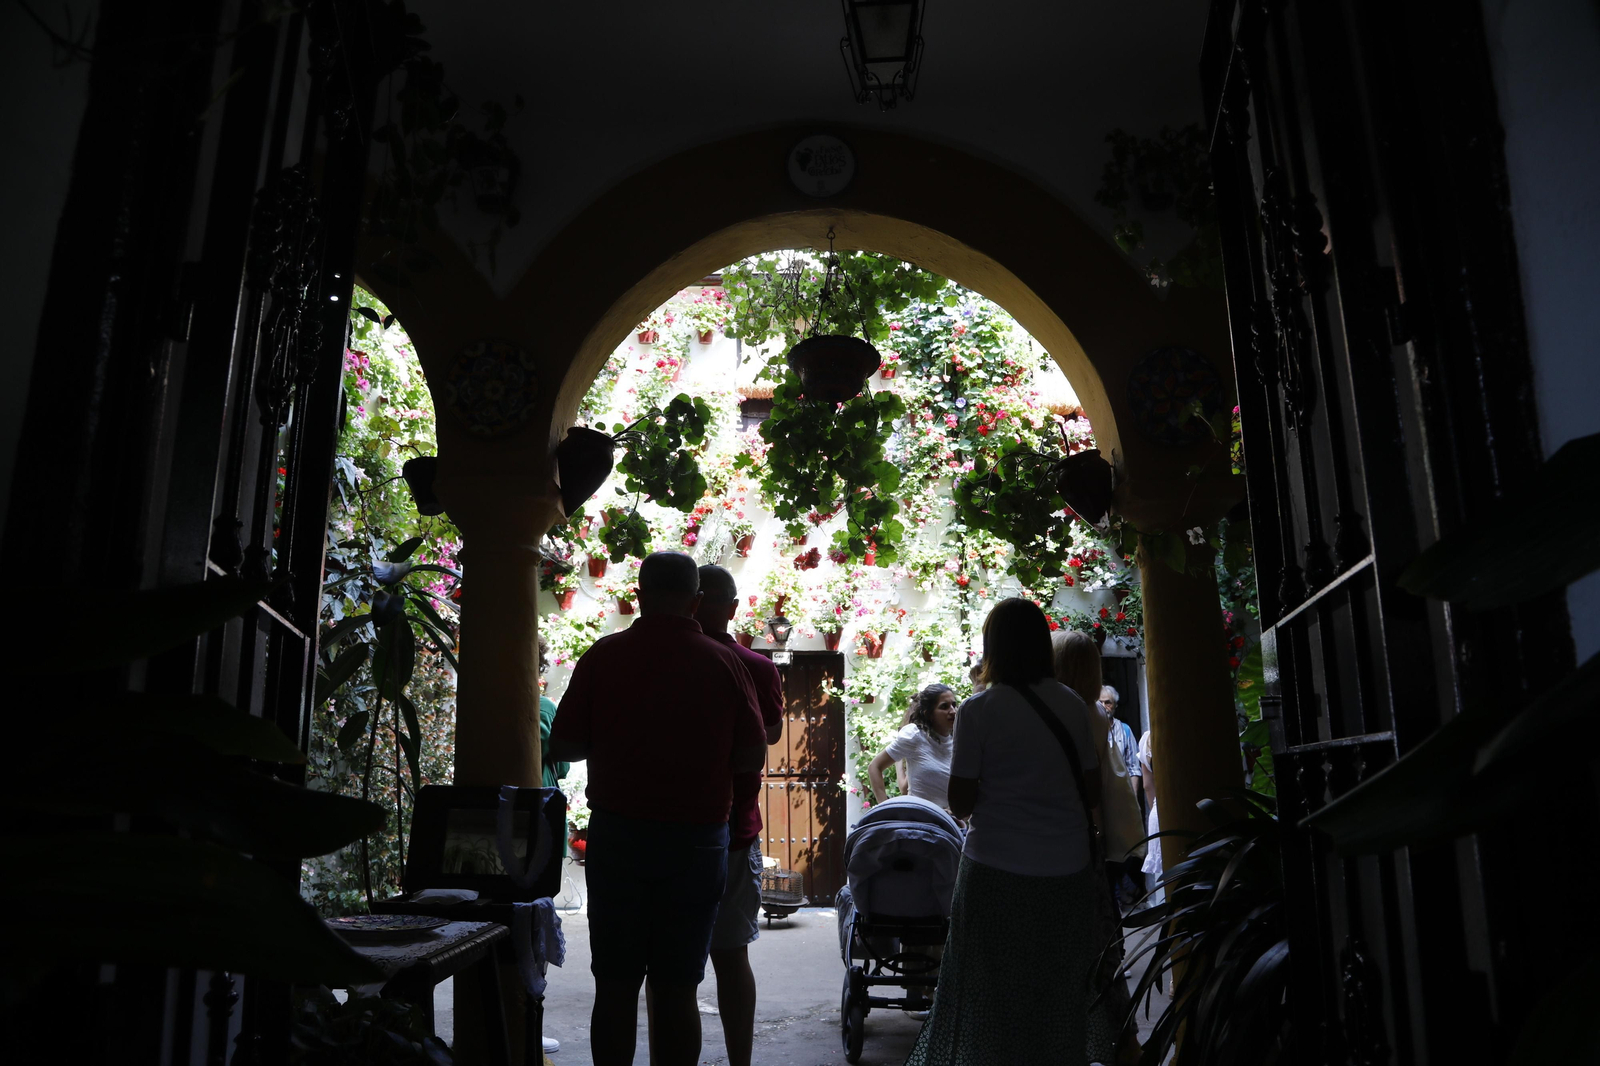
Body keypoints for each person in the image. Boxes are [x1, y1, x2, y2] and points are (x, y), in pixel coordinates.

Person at [548, 552, 767, 1066]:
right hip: (696, 841)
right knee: (676, 988)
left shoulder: (605, 657)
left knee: (617, 985)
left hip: (619, 836)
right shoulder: (724, 662)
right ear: (696, 602)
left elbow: (565, 744)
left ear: (640, 596)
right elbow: (752, 753)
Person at [906, 598, 1101, 1066]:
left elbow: (961, 803)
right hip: (1067, 870)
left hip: (995, 870)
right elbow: (1091, 791)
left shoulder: (979, 710)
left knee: (988, 991)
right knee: (1055, 988)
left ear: (993, 647)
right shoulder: (1073, 705)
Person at [683, 564, 785, 1066]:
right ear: (735, 608)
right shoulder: (755, 668)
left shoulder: (669, 662)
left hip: (670, 828)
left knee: (670, 969)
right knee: (730, 958)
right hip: (734, 828)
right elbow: (766, 737)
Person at [1054, 631, 1144, 1066]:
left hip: (1072, 843)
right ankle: (1122, 1042)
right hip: (1097, 842)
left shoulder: (1073, 712)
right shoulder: (1094, 715)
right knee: (1104, 948)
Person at [866, 684, 958, 809]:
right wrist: (884, 809)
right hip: (919, 820)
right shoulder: (915, 736)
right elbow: (875, 767)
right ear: (929, 714)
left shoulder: (959, 741)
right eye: (944, 707)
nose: (953, 711)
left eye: (954, 705)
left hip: (949, 823)